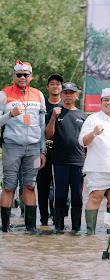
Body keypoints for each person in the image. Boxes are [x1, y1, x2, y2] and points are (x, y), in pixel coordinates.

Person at [0, 60, 47, 232]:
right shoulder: (4, 95)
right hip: (12, 146)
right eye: (18, 74)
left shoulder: (38, 94)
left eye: (25, 75)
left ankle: (30, 229)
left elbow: (42, 126)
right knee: (9, 186)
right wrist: (10, 114)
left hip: (34, 148)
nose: (22, 77)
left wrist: (43, 150)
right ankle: (4, 228)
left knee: (30, 186)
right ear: (13, 75)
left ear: (31, 76)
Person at [78, 88, 110, 235]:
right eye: (106, 100)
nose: (109, 103)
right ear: (101, 102)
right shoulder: (93, 119)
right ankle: (90, 233)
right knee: (96, 197)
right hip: (98, 168)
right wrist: (94, 133)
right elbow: (82, 141)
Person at [45, 82, 86, 231]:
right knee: (60, 196)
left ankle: (76, 229)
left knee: (77, 197)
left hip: (78, 162)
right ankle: (59, 228)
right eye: (66, 93)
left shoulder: (83, 115)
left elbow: (86, 141)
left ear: (76, 95)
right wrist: (53, 118)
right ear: (62, 95)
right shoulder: (55, 112)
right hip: (60, 161)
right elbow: (48, 135)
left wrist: (86, 162)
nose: (68, 95)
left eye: (71, 93)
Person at [37, 73, 64, 226]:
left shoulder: (65, 106)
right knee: (42, 186)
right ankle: (43, 220)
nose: (55, 86)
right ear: (47, 87)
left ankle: (57, 218)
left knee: (60, 187)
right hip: (41, 151)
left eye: (58, 84)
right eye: (52, 83)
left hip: (61, 153)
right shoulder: (42, 106)